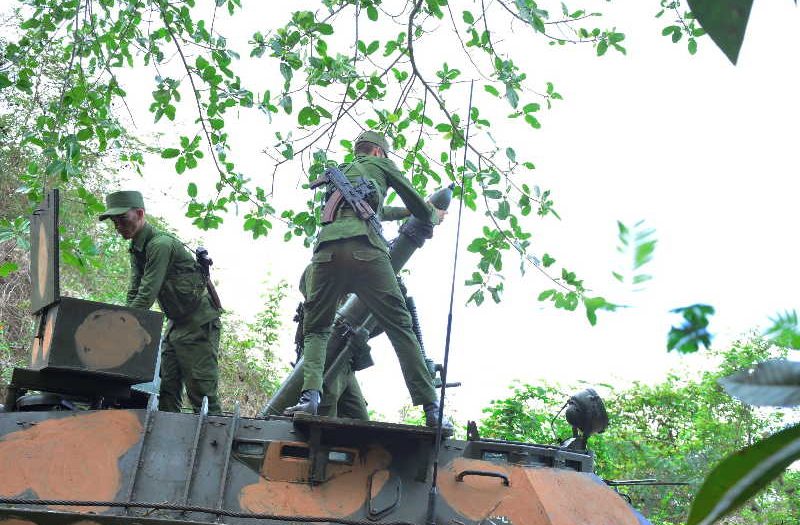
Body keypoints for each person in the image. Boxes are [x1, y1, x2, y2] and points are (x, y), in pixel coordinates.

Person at [285, 131, 449, 429]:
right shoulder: (383, 166)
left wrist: (403, 214)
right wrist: (432, 215)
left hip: (326, 252)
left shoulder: (343, 173)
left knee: (317, 329)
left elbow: (376, 210)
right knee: (400, 326)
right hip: (366, 252)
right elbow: (419, 208)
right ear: (378, 153)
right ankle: (431, 409)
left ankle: (309, 396)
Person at [99, 190, 223, 414]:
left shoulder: (160, 245)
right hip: (175, 324)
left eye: (122, 219)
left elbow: (146, 294)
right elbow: (134, 291)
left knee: (202, 392)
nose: (118, 226)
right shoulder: (137, 248)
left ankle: (219, 445)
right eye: (114, 222)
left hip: (199, 322)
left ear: (139, 213)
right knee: (168, 390)